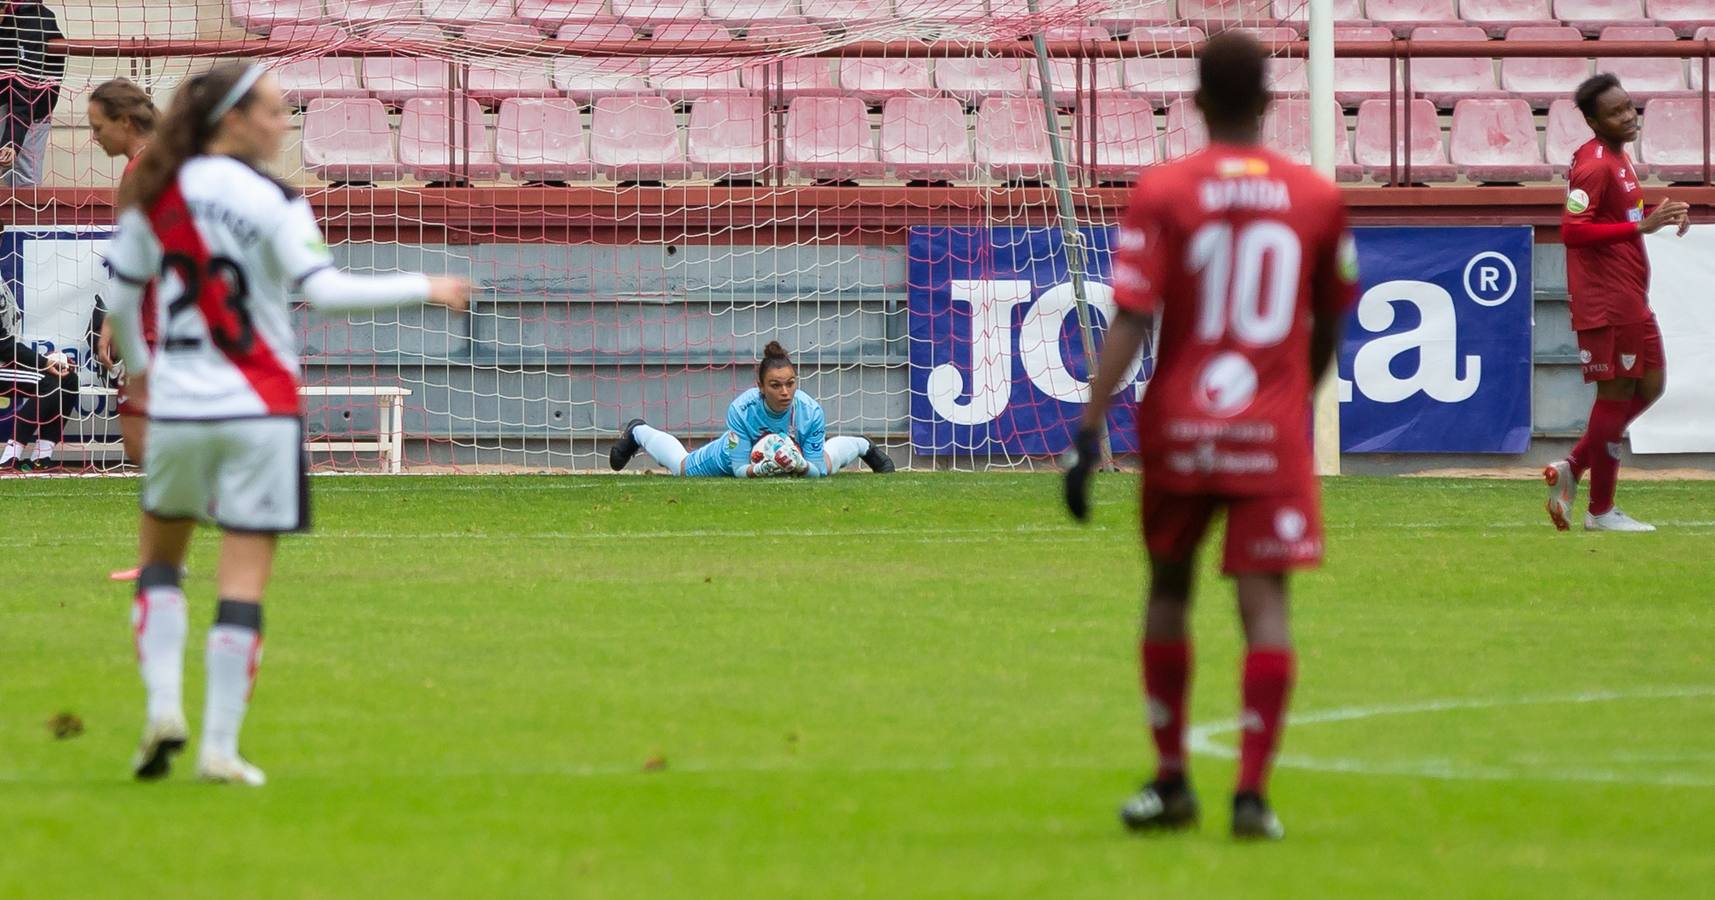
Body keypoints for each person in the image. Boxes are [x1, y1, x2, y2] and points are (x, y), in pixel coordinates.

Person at [104, 62, 471, 786]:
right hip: (261, 410)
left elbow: (122, 297)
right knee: (242, 579)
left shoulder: (157, 189)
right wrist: (426, 286)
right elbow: (324, 295)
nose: (283, 124)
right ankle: (218, 748)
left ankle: (161, 707)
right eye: (273, 111)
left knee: (161, 560)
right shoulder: (275, 199)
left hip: (178, 404)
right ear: (234, 120)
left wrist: (145, 371)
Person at [1061, 32, 1358, 841]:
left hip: (1181, 426)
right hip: (1268, 429)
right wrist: (1294, 391)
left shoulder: (1164, 190)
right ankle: (1252, 798)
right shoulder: (1315, 196)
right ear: (1269, 101)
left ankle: (1169, 781)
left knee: (1167, 592)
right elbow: (1332, 320)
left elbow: (1130, 316)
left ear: (1193, 100)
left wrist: (1088, 430)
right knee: (1264, 607)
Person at [1543, 73, 1690, 533]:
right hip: (1606, 299)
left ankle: (1573, 465)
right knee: (1616, 394)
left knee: (1651, 384)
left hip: (1629, 295)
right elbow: (1572, 231)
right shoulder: (1594, 166)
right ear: (1592, 121)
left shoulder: (1619, 159)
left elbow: (1619, 217)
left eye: (1629, 107)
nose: (1628, 117)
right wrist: (1640, 229)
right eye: (1616, 112)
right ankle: (1600, 511)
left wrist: (1655, 217)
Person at [607, 341, 894, 477]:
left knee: (826, 467)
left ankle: (862, 446)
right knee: (683, 469)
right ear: (760, 386)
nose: (785, 392)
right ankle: (638, 432)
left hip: (794, 456)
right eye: (775, 385)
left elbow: (816, 472)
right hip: (734, 455)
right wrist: (762, 469)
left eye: (790, 383)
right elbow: (739, 468)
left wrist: (801, 465)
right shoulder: (741, 410)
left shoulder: (810, 411)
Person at [87, 78, 159, 580]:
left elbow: (141, 254)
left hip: (157, 321)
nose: (94, 137)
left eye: (98, 127)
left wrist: (117, 317)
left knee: (141, 437)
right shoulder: (158, 162)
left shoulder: (145, 169)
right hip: (157, 316)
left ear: (125, 122)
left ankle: (156, 560)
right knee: (141, 440)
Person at [0, 280, 76, 471]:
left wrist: (48, 361)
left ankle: (41, 457)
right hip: (3, 362)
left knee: (69, 378)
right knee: (46, 381)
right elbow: (3, 346)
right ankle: (9, 457)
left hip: (6, 362)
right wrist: (43, 363)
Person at [0, 1, 64, 187]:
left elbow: (25, 88)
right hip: (12, 100)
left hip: (31, 109)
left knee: (23, 179)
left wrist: (12, 141)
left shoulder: (35, 20)